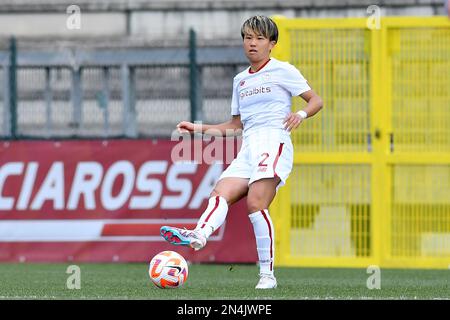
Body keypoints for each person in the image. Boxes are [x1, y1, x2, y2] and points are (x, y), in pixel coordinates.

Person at [160, 15, 323, 289]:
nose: (252, 43)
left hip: (274, 141)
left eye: (259, 38)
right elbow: (236, 125)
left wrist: (300, 114)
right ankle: (200, 235)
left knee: (256, 204)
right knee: (219, 193)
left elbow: (316, 100)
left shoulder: (283, 70)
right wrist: (198, 128)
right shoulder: (240, 81)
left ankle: (267, 276)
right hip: (249, 146)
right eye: (248, 38)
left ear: (272, 44)